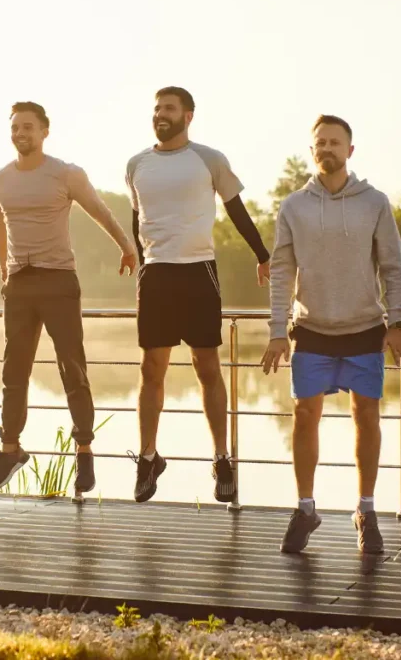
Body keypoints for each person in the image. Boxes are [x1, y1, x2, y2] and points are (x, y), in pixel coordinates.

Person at [262, 115, 401, 555]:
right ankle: (306, 507)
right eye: (320, 143)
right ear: (312, 151)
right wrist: (276, 331)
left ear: (350, 150)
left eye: (335, 142)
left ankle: (366, 510)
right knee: (304, 416)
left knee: (366, 417)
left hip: (365, 328)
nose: (327, 148)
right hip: (311, 329)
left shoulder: (374, 202)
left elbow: (393, 266)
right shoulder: (293, 206)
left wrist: (398, 321)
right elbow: (281, 274)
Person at [126, 86, 271, 504]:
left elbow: (236, 209)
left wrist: (262, 254)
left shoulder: (209, 159)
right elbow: (137, 219)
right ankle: (149, 457)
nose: (160, 114)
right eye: (156, 108)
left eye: (169, 108)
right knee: (152, 367)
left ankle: (221, 458)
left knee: (206, 364)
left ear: (188, 115)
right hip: (155, 275)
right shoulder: (137, 164)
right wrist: (134, 256)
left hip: (198, 272)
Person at [0, 101, 136, 494]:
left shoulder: (65, 174)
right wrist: (5, 272)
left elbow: (101, 212)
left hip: (59, 281)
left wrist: (126, 246)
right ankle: (9, 449)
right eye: (16, 127)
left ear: (44, 132)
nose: (21, 133)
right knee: (13, 371)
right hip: (20, 285)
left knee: (73, 367)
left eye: (28, 127)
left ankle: (84, 451)